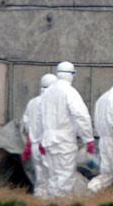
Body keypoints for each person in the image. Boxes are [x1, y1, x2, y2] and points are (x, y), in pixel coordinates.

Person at [37, 61, 94, 198]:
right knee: (64, 177)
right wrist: (88, 139)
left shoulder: (48, 92)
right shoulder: (69, 91)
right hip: (64, 140)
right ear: (71, 75)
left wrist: (39, 139)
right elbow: (81, 116)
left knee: (52, 177)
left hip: (48, 140)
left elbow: (39, 118)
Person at [20, 73, 57, 197]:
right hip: (47, 145)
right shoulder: (52, 102)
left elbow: (26, 125)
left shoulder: (32, 102)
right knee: (52, 178)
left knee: (40, 179)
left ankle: (39, 204)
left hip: (35, 146)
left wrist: (28, 146)